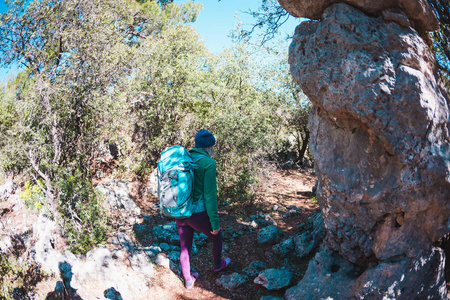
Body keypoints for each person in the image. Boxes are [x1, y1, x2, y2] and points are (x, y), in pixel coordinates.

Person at [176, 129, 231, 289]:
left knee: (184, 246)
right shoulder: (208, 163)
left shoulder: (185, 157)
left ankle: (188, 280)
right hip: (196, 213)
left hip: (180, 211)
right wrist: (215, 223)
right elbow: (210, 196)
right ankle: (218, 265)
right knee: (217, 236)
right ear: (209, 147)